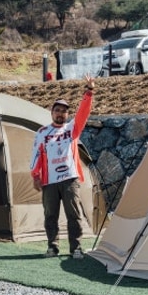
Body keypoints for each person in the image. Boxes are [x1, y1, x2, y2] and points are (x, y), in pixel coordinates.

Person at [30, 75, 96, 259]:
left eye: (64, 111)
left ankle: (76, 248)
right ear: (52, 113)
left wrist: (89, 92)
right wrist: (35, 175)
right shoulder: (42, 133)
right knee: (50, 216)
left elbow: (83, 112)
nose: (60, 113)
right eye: (57, 110)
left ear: (67, 114)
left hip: (70, 179)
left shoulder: (72, 129)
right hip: (49, 181)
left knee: (74, 215)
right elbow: (35, 154)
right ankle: (52, 247)